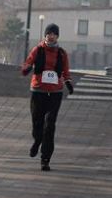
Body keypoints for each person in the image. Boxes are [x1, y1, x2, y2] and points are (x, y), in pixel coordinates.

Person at [20, 22, 74, 171]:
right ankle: (37, 141)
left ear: (57, 36)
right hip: (38, 91)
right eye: (49, 33)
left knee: (50, 125)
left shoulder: (62, 53)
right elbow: (28, 62)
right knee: (37, 124)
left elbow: (66, 71)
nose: (51, 36)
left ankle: (45, 159)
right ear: (45, 35)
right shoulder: (37, 50)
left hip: (55, 93)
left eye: (54, 34)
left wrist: (68, 83)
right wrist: (26, 68)